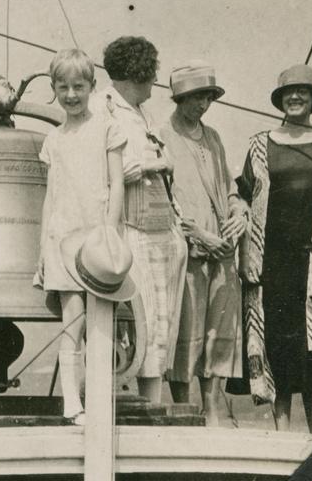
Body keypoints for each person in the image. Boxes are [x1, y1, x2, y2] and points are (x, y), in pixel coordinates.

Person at [33, 48, 130, 424]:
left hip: (98, 239)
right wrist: (44, 245)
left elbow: (118, 181)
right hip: (63, 239)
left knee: (101, 322)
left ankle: (100, 398)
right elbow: (50, 196)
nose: (71, 94)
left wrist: (109, 228)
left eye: (78, 86)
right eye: (62, 87)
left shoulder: (106, 127)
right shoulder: (53, 139)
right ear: (54, 88)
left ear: (91, 86)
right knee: (72, 321)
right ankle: (72, 403)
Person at [232, 64, 312, 434]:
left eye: (303, 91)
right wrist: (245, 252)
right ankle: (282, 433)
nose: (295, 97)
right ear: (279, 99)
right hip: (270, 262)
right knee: (278, 347)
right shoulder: (260, 144)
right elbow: (240, 197)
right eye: (289, 92)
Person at [92, 36, 187, 404]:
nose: (154, 83)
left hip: (160, 224)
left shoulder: (141, 113)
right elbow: (103, 164)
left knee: (163, 320)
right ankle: (138, 404)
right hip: (130, 226)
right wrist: (149, 163)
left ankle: (154, 402)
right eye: (150, 75)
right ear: (139, 73)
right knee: (141, 317)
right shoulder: (104, 107)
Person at [159, 61, 245, 426]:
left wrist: (238, 211)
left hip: (223, 252)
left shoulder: (214, 138)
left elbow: (229, 189)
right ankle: (184, 409)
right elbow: (164, 202)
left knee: (219, 330)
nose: (202, 105)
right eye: (195, 97)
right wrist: (199, 235)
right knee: (187, 331)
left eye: (207, 97)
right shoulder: (161, 137)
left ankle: (212, 412)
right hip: (187, 251)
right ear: (179, 97)